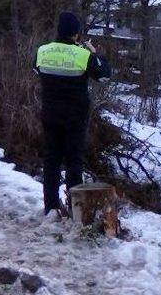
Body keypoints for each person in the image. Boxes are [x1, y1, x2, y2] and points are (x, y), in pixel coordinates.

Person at [33, 12, 111, 216]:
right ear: (76, 33)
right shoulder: (83, 55)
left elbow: (36, 70)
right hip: (75, 117)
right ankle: (76, 209)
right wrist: (94, 53)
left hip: (50, 114)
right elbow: (104, 76)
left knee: (51, 160)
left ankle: (50, 206)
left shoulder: (43, 51)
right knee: (74, 161)